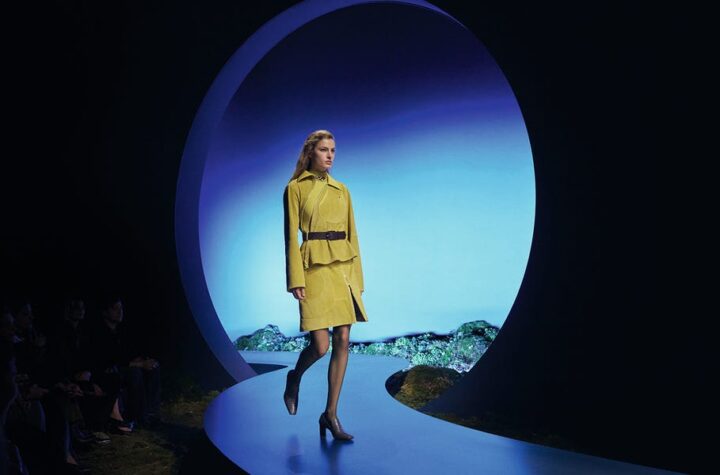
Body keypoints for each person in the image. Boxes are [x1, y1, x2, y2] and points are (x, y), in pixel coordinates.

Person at [282, 129, 369, 441]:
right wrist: (295, 279)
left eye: (333, 149)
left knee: (343, 339)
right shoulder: (294, 188)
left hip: (342, 267)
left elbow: (353, 235)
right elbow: (290, 237)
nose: (330, 155)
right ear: (311, 152)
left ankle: (330, 414)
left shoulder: (342, 190)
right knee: (320, 346)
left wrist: (357, 279)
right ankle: (295, 377)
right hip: (313, 268)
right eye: (323, 149)